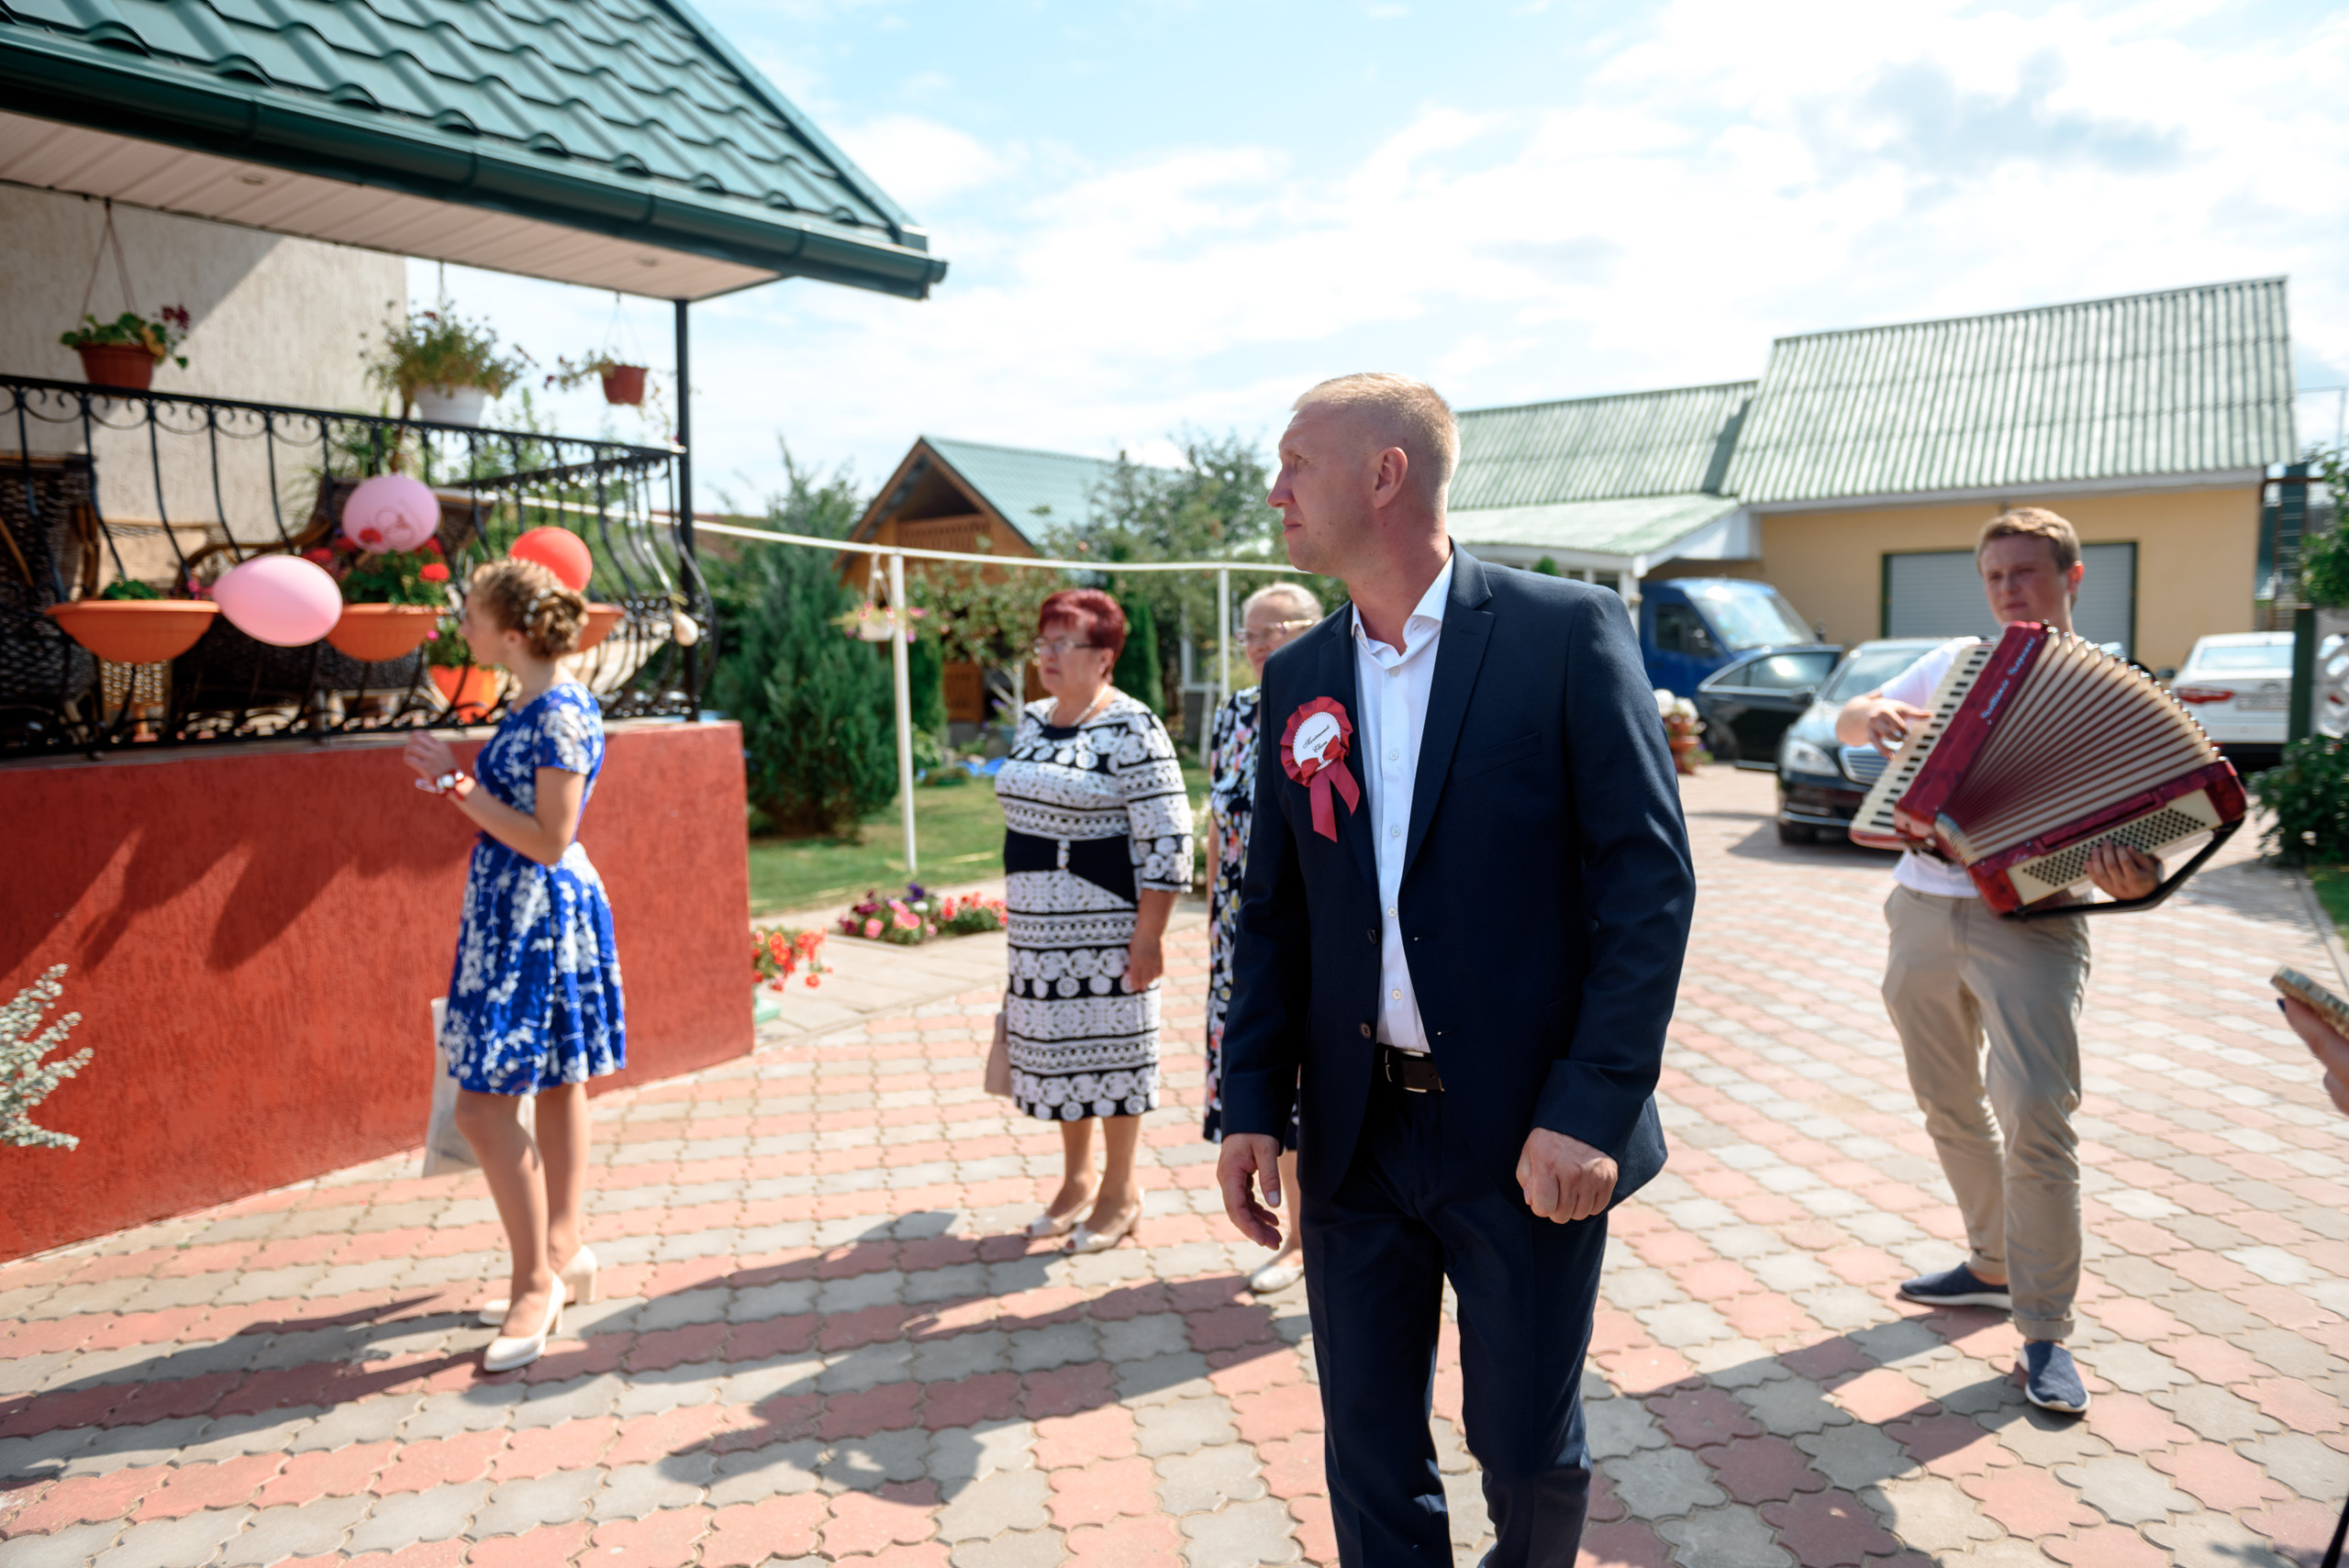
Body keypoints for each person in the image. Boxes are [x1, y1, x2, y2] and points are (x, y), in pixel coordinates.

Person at [1217, 373, 1695, 1568]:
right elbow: (1272, 914)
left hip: (1524, 1133)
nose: (1275, 490)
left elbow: (1648, 887)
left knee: (1524, 1447)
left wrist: (1591, 1105)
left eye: (1296, 464)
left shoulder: (1562, 633)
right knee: (1368, 1445)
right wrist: (1247, 1104)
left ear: (1386, 474)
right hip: (1353, 1132)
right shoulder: (1298, 677)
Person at [1834, 507, 2159, 1416]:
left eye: (2025, 571)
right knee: (1945, 1100)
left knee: (2035, 1119)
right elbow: (1851, 714)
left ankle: (2044, 1329)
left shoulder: (2113, 689)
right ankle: (1989, 1258)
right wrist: (1876, 714)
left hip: (2038, 920)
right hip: (1920, 908)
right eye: (1993, 575)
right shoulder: (1950, 664)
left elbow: (2144, 853)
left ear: (2072, 576)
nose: (2009, 589)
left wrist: (2130, 877)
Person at [402, 558, 625, 1374]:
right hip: (520, 912)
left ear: (513, 632)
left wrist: (453, 781)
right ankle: (563, 1250)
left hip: (535, 918)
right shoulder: (534, 699)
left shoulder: (559, 713)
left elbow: (548, 838)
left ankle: (536, 1280)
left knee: (482, 1108)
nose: (460, 622)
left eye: (471, 612)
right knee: (560, 1079)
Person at [995, 589, 1194, 1252]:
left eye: (1062, 643)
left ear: (1104, 656)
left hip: (1107, 926)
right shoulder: (1031, 719)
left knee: (1114, 1057)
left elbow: (1169, 836)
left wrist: (1150, 935)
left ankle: (1121, 1190)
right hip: (1037, 929)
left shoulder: (1132, 725)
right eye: (1043, 642)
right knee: (1056, 1052)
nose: (1046, 655)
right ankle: (1076, 1180)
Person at [1202, 581, 1323, 1296]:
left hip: (1304, 925)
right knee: (1255, 1071)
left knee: (1309, 1077)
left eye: (1275, 630)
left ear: (1312, 628)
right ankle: (1294, 1231)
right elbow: (1221, 818)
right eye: (1250, 634)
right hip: (1238, 929)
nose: (1260, 645)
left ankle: (1307, 1239)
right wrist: (1213, 919)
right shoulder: (1235, 715)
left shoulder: (1327, 707)